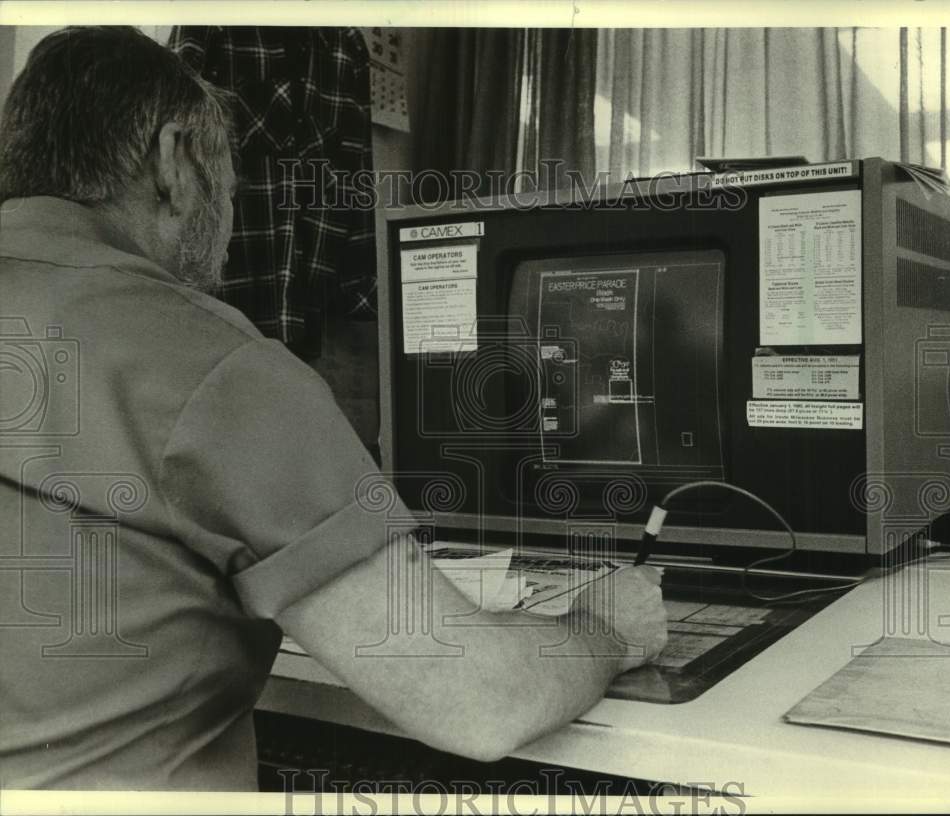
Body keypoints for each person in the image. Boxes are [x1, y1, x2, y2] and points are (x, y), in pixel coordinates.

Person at [0, 27, 669, 790]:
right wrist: (606, 626)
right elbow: (480, 701)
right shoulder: (211, 359)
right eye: (229, 184)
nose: (226, 225)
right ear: (173, 160)